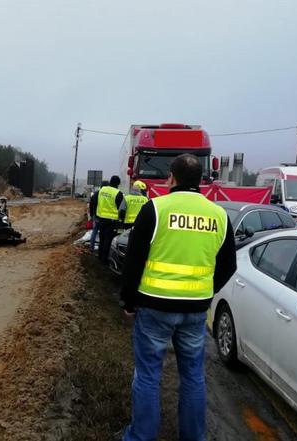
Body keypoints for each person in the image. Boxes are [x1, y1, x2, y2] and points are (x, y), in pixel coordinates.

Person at [119, 154, 237, 441]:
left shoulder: (156, 209)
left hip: (154, 306)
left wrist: (129, 301)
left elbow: (134, 260)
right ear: (200, 181)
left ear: (171, 178)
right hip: (196, 310)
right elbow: (229, 265)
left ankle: (141, 436)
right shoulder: (219, 216)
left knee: (148, 375)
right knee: (193, 376)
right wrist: (205, 294)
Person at [95, 175, 125, 263]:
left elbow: (98, 202)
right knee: (108, 240)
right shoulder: (118, 193)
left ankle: (100, 257)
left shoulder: (102, 190)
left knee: (102, 238)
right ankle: (105, 259)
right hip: (111, 221)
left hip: (101, 218)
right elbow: (121, 208)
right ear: (118, 184)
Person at [88, 180, 108, 253]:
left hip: (95, 216)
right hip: (104, 216)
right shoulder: (106, 195)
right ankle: (102, 248)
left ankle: (91, 247)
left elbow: (91, 205)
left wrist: (91, 214)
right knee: (104, 233)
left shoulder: (95, 194)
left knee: (95, 231)